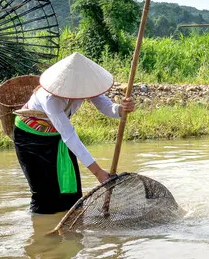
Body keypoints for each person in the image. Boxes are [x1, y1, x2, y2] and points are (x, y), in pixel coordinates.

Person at [13, 52, 135, 214]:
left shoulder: (86, 87)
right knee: (43, 194)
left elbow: (106, 106)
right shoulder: (49, 98)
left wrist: (121, 109)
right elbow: (69, 135)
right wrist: (98, 173)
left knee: (70, 193)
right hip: (30, 139)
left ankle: (67, 231)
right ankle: (40, 228)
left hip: (56, 136)